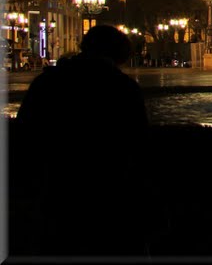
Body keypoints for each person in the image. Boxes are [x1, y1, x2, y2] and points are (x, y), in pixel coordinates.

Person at [13, 24, 150, 256]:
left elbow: (25, 130)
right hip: (108, 192)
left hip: (56, 188)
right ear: (121, 54)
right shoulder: (121, 87)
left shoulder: (47, 82)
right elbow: (138, 139)